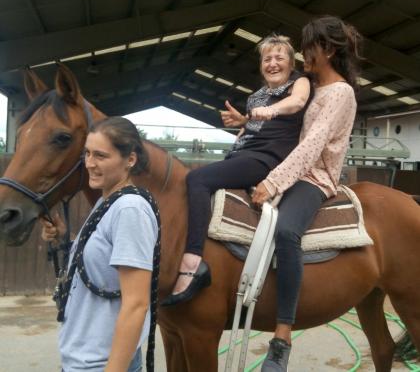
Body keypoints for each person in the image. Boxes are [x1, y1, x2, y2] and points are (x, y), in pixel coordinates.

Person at [161, 34, 313, 306]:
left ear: (291, 64)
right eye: (267, 59)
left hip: (269, 157)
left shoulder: (298, 83)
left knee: (197, 178)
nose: (272, 63)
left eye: (279, 58)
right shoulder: (256, 97)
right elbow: (252, 130)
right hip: (245, 153)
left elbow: (297, 103)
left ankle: (193, 261)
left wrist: (272, 111)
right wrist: (242, 122)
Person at [251, 16, 363, 372]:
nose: (302, 55)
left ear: (327, 50)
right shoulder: (311, 86)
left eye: (308, 48)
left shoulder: (341, 93)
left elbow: (314, 144)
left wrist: (274, 182)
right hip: (292, 169)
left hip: (315, 178)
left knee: (286, 231)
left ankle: (282, 336)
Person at [41, 117, 159, 372]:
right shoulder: (108, 201)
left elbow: (136, 304)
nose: (90, 163)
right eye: (87, 153)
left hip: (101, 364)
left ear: (130, 159)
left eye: (101, 156)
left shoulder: (129, 209)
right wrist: (64, 237)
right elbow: (104, 256)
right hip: (82, 360)